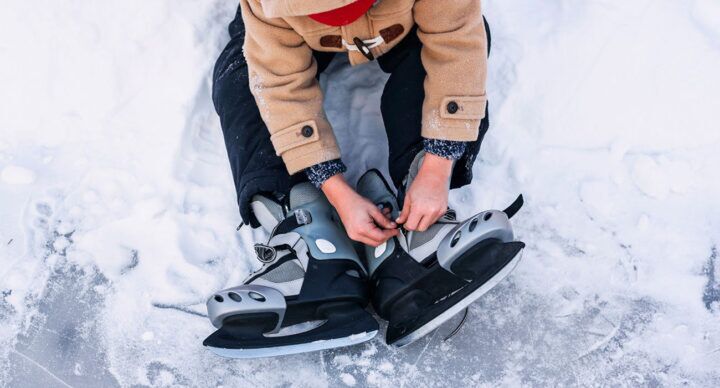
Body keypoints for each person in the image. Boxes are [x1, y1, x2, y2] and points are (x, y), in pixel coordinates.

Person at [213, 0, 491, 246]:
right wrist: (335, 190)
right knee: (245, 76)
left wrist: (437, 166)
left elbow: (455, 40)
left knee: (456, 60)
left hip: (403, 20)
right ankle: (298, 216)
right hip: (289, 23)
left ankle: (421, 199)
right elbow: (279, 86)